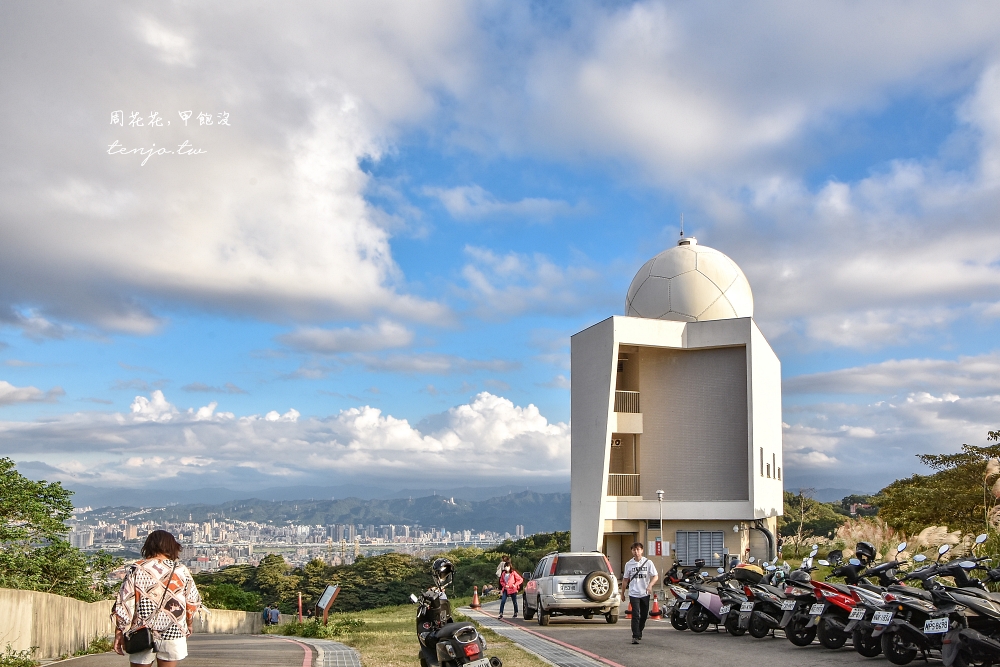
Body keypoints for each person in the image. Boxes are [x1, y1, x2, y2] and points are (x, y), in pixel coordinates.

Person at [113, 530, 201, 667]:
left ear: (148, 546)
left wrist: (119, 631)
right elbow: (192, 601)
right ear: (172, 547)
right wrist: (189, 623)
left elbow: (124, 602)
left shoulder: (137, 569)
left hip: (141, 631)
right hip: (172, 629)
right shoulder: (181, 570)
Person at [622, 541, 658, 644]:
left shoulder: (648, 563)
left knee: (644, 614)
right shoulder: (629, 564)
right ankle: (635, 636)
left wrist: (650, 585)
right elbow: (625, 579)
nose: (636, 552)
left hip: (645, 593)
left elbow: (655, 576)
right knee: (635, 614)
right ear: (632, 551)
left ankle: (639, 631)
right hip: (634, 593)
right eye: (634, 550)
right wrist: (622, 593)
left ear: (642, 550)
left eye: (638, 549)